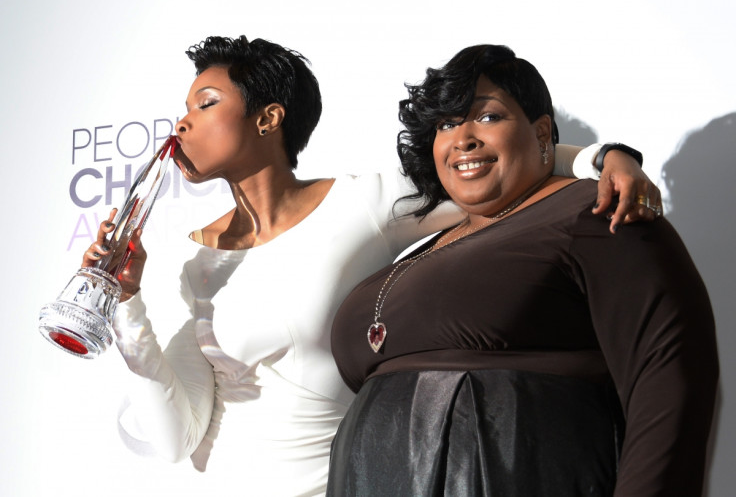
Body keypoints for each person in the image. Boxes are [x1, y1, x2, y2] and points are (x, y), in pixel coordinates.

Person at [83, 36, 660, 496]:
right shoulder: (185, 257)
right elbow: (173, 438)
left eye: (205, 105)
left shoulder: (360, 204)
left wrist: (606, 158)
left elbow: (490, 164)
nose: (181, 124)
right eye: (183, 109)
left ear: (268, 118)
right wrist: (127, 304)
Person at [328, 45, 718, 496]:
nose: (463, 138)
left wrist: (610, 157)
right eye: (446, 124)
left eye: (488, 117)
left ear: (541, 132)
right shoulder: (425, 240)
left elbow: (668, 380)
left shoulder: (596, 212)